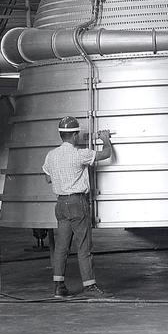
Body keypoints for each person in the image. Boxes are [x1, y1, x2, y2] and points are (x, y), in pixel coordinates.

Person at [42, 116, 113, 300]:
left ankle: (58, 286)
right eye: (78, 135)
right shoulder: (80, 154)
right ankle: (89, 286)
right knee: (84, 246)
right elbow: (106, 154)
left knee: (61, 248)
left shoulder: (51, 155)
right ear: (73, 135)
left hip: (61, 204)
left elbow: (48, 178)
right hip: (77, 203)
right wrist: (105, 139)